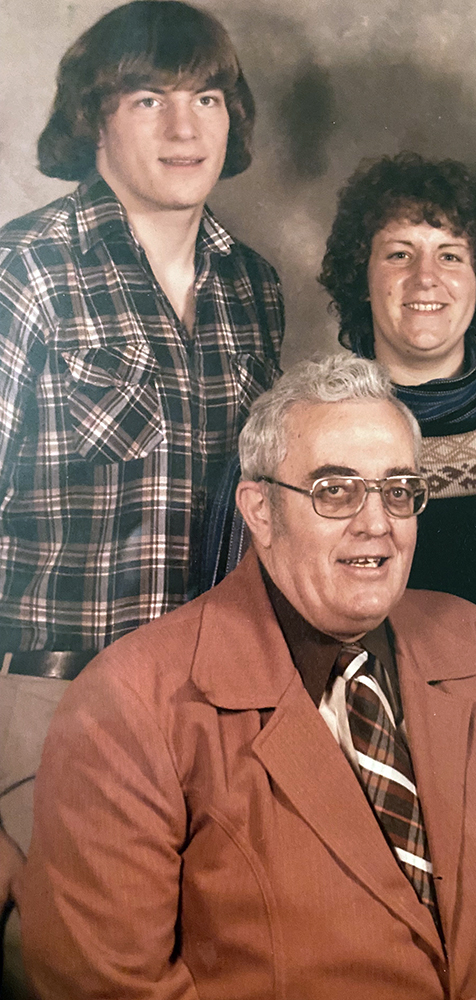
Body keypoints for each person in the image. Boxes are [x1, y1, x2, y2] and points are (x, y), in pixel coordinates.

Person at [20, 355, 476, 1000]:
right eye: (335, 490)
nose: (377, 523)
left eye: (398, 489)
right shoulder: (129, 702)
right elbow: (109, 987)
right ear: (260, 512)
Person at [0, 1, 283, 990]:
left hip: (215, 698)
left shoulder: (252, 285)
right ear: (95, 116)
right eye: (149, 97)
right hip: (60, 689)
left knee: (217, 955)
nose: (183, 126)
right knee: (77, 970)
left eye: (207, 97)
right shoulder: (24, 270)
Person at [204, 152, 476, 743]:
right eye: (398, 253)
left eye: (451, 255)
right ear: (361, 275)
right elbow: (235, 643)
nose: (425, 278)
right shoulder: (289, 443)